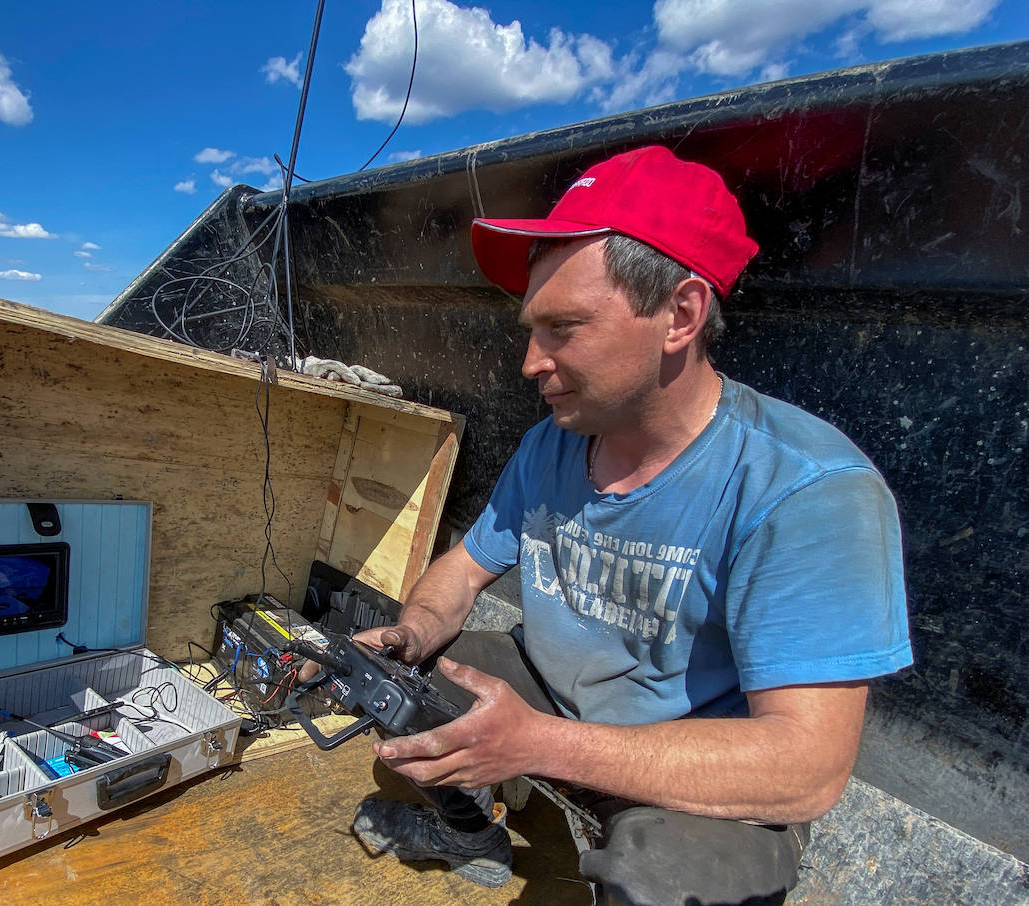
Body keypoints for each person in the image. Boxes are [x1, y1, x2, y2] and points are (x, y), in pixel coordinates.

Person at [346, 145, 913, 905]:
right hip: (558, 705)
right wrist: (411, 633)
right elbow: (464, 570)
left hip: (692, 771)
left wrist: (543, 744)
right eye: (529, 330)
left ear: (680, 315)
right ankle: (467, 834)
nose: (529, 363)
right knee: (411, 695)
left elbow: (807, 768)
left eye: (563, 328)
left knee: (658, 878)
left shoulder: (807, 489)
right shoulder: (554, 441)